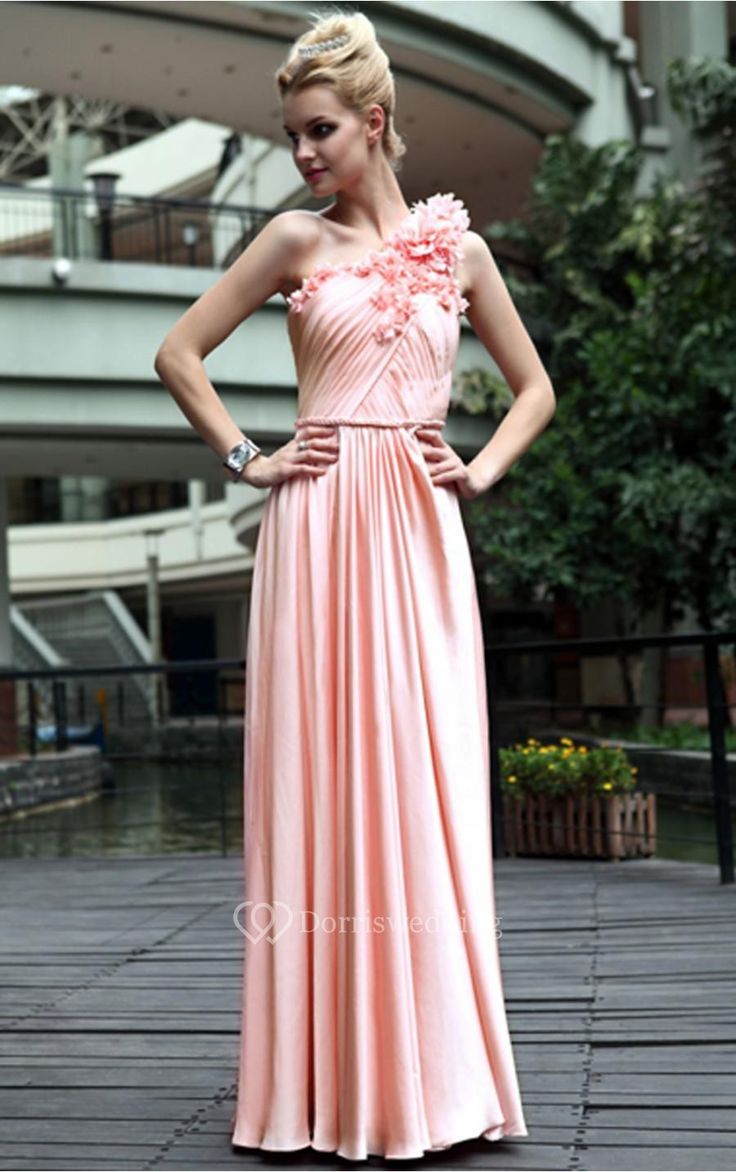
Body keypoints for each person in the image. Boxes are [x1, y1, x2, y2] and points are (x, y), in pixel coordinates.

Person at [154, 10, 556, 1162]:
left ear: (376, 123)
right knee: (326, 775)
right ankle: (324, 1080)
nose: (304, 152)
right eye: (292, 135)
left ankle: (432, 1077)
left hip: (420, 531)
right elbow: (179, 353)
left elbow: (532, 387)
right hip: (317, 521)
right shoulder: (291, 241)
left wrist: (476, 468)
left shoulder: (460, 252)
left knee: (420, 776)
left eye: (320, 129)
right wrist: (251, 456)